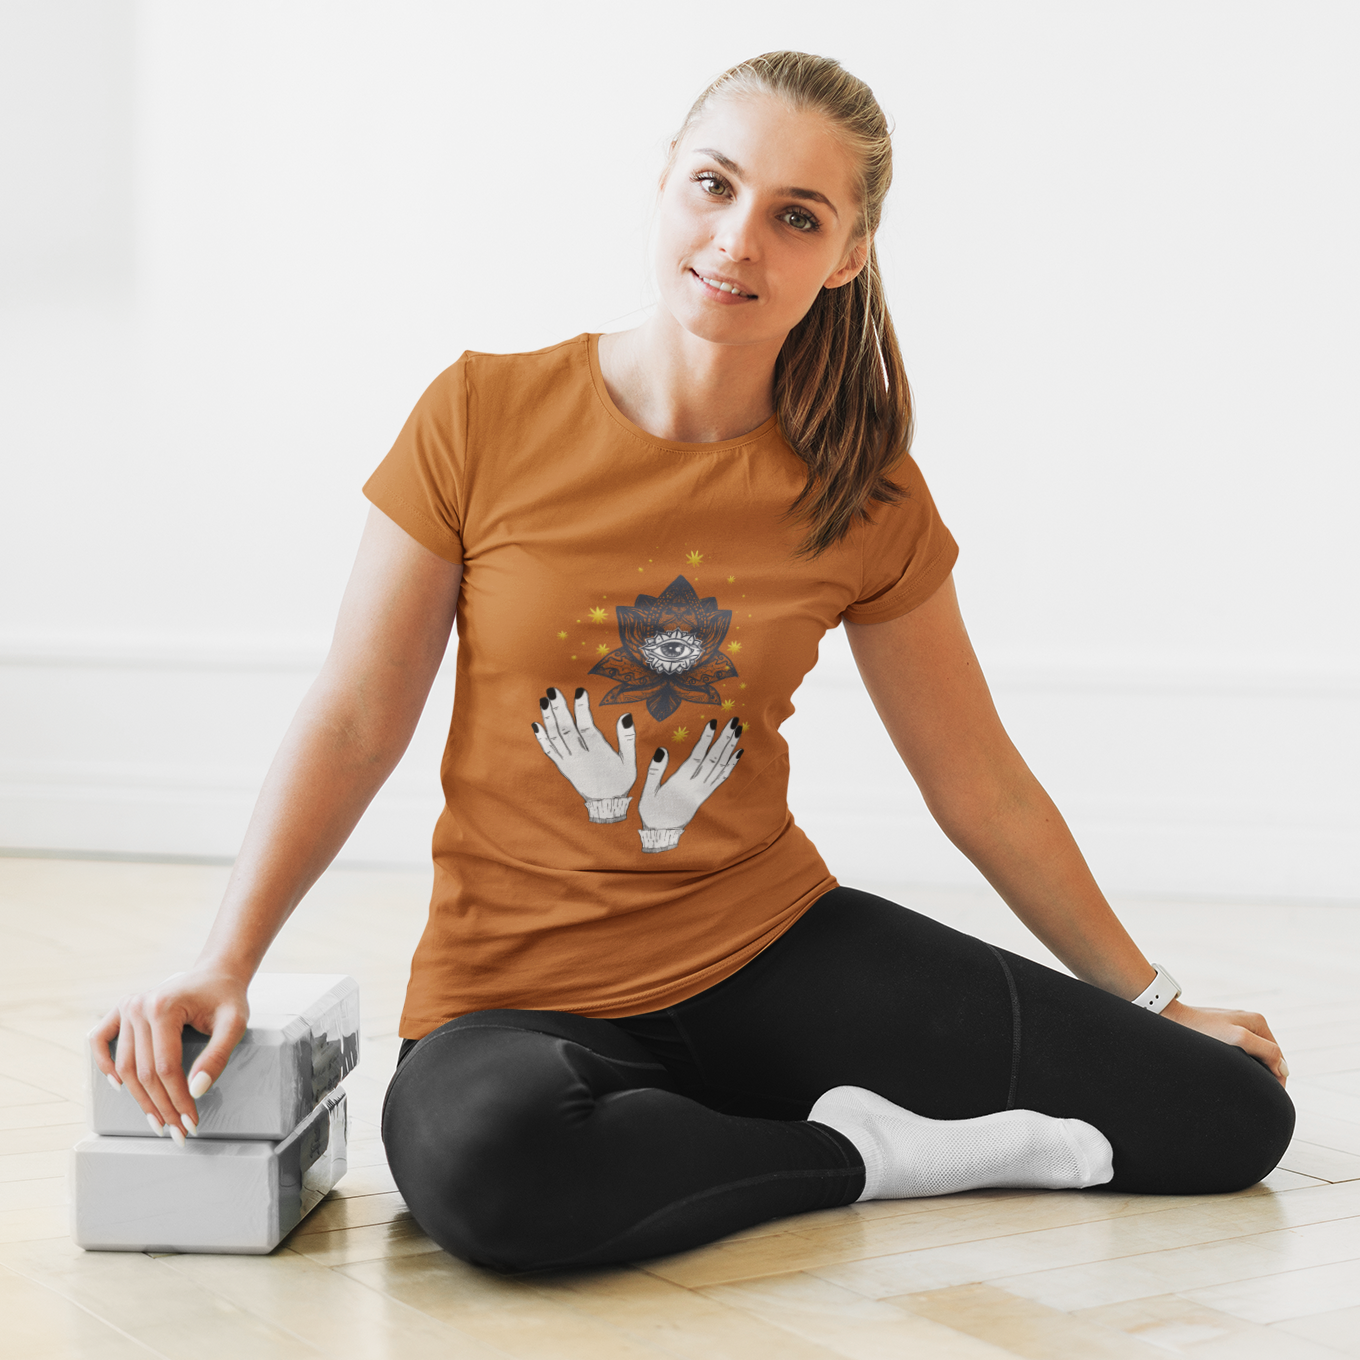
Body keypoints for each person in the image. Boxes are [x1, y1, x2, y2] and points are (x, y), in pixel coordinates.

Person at [90, 51, 1293, 1274]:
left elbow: (976, 780)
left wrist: (1155, 1000)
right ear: (663, 181)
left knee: (1229, 1115)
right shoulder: (479, 416)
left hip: (771, 951)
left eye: (795, 216)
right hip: (514, 991)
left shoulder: (860, 491)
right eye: (713, 187)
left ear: (848, 254)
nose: (737, 240)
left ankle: (729, 1138)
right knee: (491, 1177)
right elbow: (354, 717)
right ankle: (872, 1157)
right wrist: (223, 957)